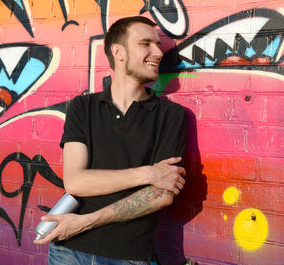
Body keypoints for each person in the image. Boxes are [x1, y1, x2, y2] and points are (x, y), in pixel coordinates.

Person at [34, 16, 188, 265]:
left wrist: (84, 223)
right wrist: (148, 174)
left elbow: (162, 195)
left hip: (129, 256)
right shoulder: (82, 107)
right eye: (146, 44)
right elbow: (75, 182)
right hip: (68, 252)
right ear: (119, 52)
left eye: (158, 45)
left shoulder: (171, 116)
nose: (158, 52)